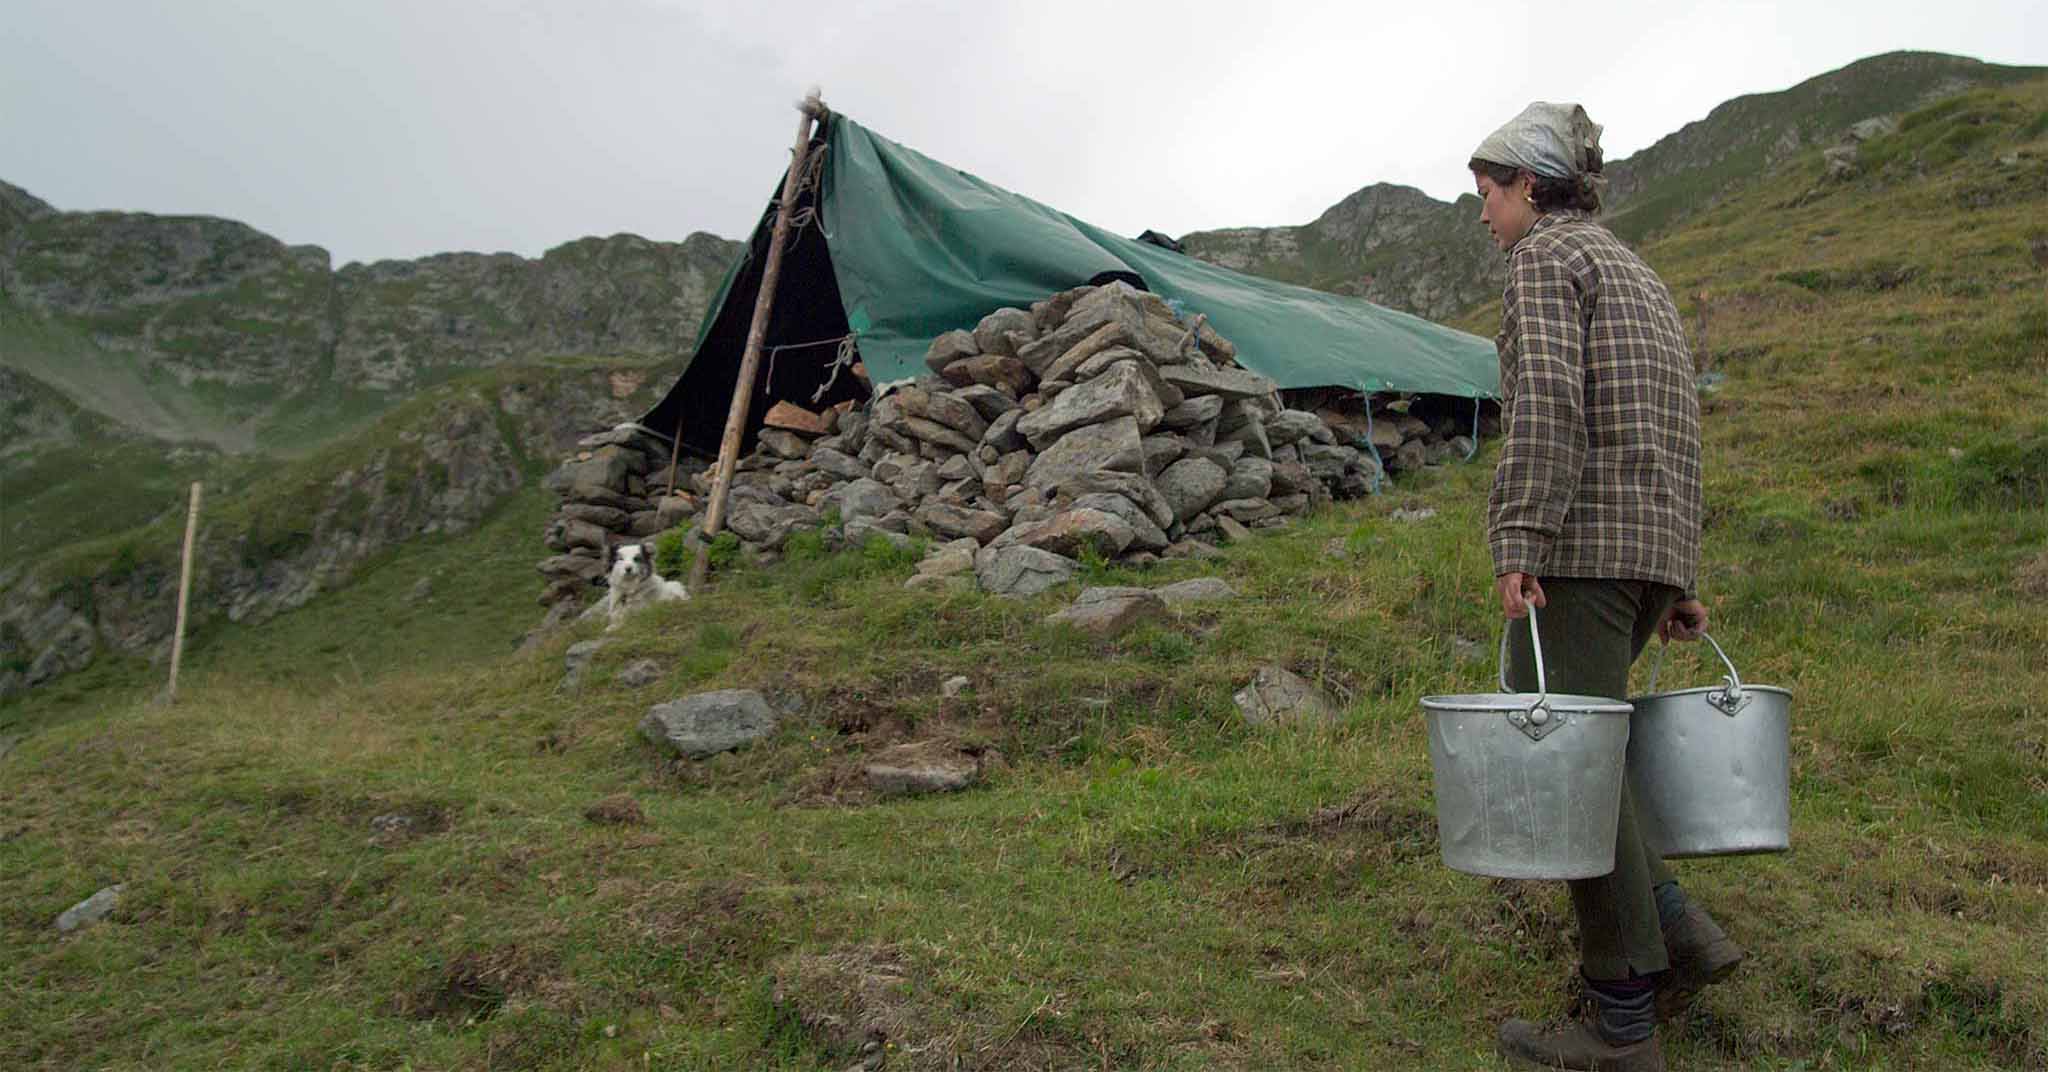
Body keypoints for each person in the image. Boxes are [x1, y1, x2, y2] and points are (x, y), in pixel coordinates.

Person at [1470, 102, 1742, 1072]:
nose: (1484, 214)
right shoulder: (1635, 270)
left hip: (1580, 551)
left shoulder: (1544, 259)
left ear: (1530, 188)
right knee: (1593, 741)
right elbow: (1669, 419)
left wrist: (1518, 536)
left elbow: (1546, 402)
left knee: (1561, 761)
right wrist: (1676, 575)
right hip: (1644, 549)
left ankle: (1621, 1020)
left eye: (1488, 193)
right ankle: (1675, 921)